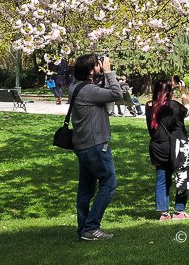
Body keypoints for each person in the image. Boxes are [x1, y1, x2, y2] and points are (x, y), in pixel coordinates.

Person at [68, 54, 123, 241]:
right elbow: (117, 94)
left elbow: (101, 92)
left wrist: (102, 74)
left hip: (82, 145)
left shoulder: (75, 86)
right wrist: (108, 71)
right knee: (109, 183)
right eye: (97, 65)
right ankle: (91, 227)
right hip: (95, 145)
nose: (101, 66)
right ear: (91, 71)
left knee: (86, 189)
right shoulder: (89, 91)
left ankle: (84, 229)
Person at [145, 78, 189, 221]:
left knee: (162, 179)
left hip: (157, 147)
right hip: (176, 147)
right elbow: (187, 111)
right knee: (183, 177)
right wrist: (183, 92)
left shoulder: (149, 105)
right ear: (170, 92)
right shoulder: (173, 106)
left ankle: (164, 213)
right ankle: (179, 211)